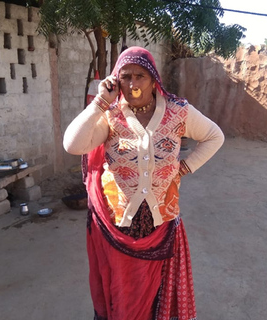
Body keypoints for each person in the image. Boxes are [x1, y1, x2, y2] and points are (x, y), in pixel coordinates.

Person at [63, 46, 224, 320]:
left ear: (154, 79)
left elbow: (214, 136)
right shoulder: (111, 115)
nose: (133, 84)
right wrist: (100, 102)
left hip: (160, 220)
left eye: (141, 76)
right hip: (118, 222)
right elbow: (72, 145)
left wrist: (185, 167)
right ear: (116, 80)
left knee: (154, 293)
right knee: (121, 288)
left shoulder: (178, 111)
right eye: (126, 77)